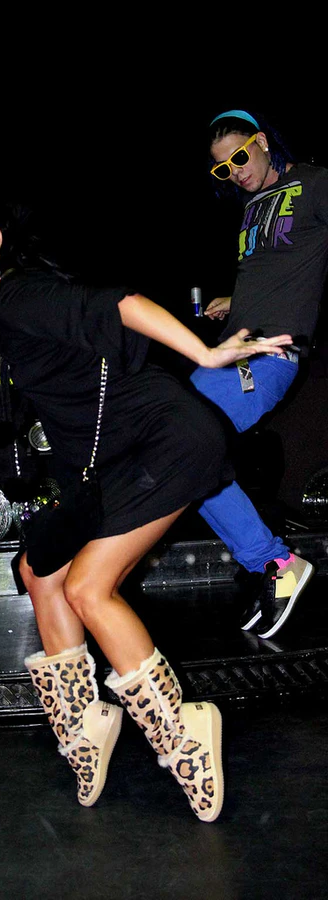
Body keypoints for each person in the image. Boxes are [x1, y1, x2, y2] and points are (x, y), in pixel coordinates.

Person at [0, 180, 292, 821]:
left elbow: (119, 303)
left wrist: (206, 353)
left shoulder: (21, 295)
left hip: (163, 442)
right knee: (39, 567)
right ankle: (84, 723)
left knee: (89, 588)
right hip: (111, 462)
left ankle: (182, 733)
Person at [191, 108, 328, 640]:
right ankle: (267, 567)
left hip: (270, 356)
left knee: (183, 443)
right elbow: (270, 269)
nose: (237, 171)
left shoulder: (313, 183)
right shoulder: (251, 207)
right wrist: (236, 300)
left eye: (241, 156)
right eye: (223, 168)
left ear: (263, 142)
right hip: (232, 351)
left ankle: (275, 562)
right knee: (184, 454)